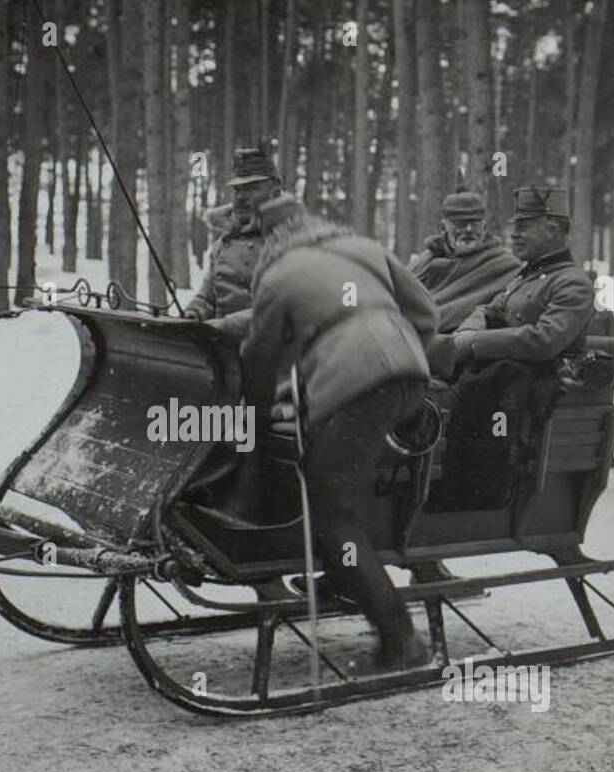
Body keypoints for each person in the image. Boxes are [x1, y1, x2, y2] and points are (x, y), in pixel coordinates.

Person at [233, 194, 440, 672]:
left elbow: (259, 362)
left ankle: (401, 639)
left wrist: (254, 421)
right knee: (349, 481)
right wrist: (406, 353)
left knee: (330, 509)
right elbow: (427, 313)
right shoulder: (363, 248)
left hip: (356, 387)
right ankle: (352, 575)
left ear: (270, 238)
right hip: (409, 377)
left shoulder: (277, 276)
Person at [437, 185, 595, 372]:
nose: (514, 235)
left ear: (551, 231)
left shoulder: (573, 283)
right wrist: (467, 332)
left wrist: (474, 342)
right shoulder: (526, 276)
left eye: (523, 228)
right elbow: (488, 310)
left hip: (532, 386)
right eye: (515, 227)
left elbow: (543, 341)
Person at [182, 146, 283, 321]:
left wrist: (224, 326)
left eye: (251, 188)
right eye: (237, 190)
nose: (241, 197)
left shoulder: (292, 242)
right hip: (218, 343)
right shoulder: (223, 244)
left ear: (275, 194)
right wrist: (193, 313)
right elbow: (208, 298)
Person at [408, 187, 520, 331]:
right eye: (460, 223)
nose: (468, 229)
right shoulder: (425, 261)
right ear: (443, 227)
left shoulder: (504, 266)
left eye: (475, 223)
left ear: (484, 228)